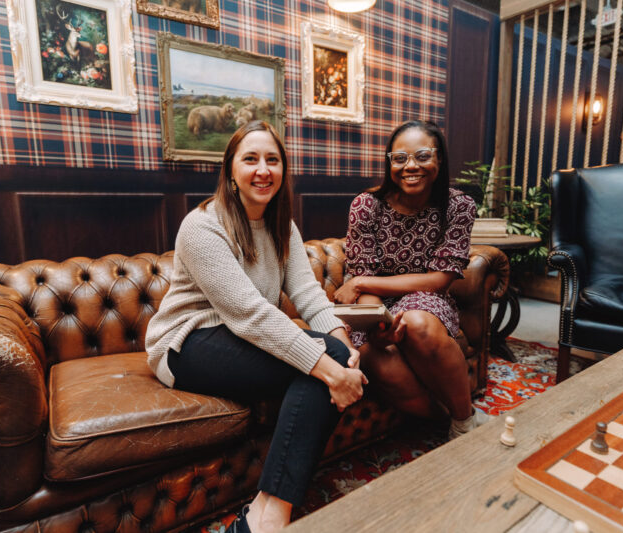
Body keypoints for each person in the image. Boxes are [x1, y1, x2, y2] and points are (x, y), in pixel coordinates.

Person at [145, 120, 367, 533]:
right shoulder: (202, 225)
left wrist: (345, 346)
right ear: (231, 170)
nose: (263, 170)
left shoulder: (282, 224)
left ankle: (264, 513)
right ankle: (271, 518)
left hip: (238, 333)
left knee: (334, 354)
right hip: (186, 342)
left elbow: (308, 294)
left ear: (283, 169)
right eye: (250, 159)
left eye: (272, 160)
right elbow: (250, 313)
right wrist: (335, 370)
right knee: (326, 365)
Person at [334, 120, 489, 441]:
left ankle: (463, 421)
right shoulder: (366, 206)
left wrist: (361, 284)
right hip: (373, 303)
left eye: (422, 156)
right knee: (378, 361)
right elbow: (363, 274)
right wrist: (377, 324)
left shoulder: (459, 206)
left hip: (428, 298)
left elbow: (439, 280)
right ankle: (455, 421)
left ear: (439, 159)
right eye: (400, 158)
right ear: (389, 163)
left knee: (417, 323)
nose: (411, 166)